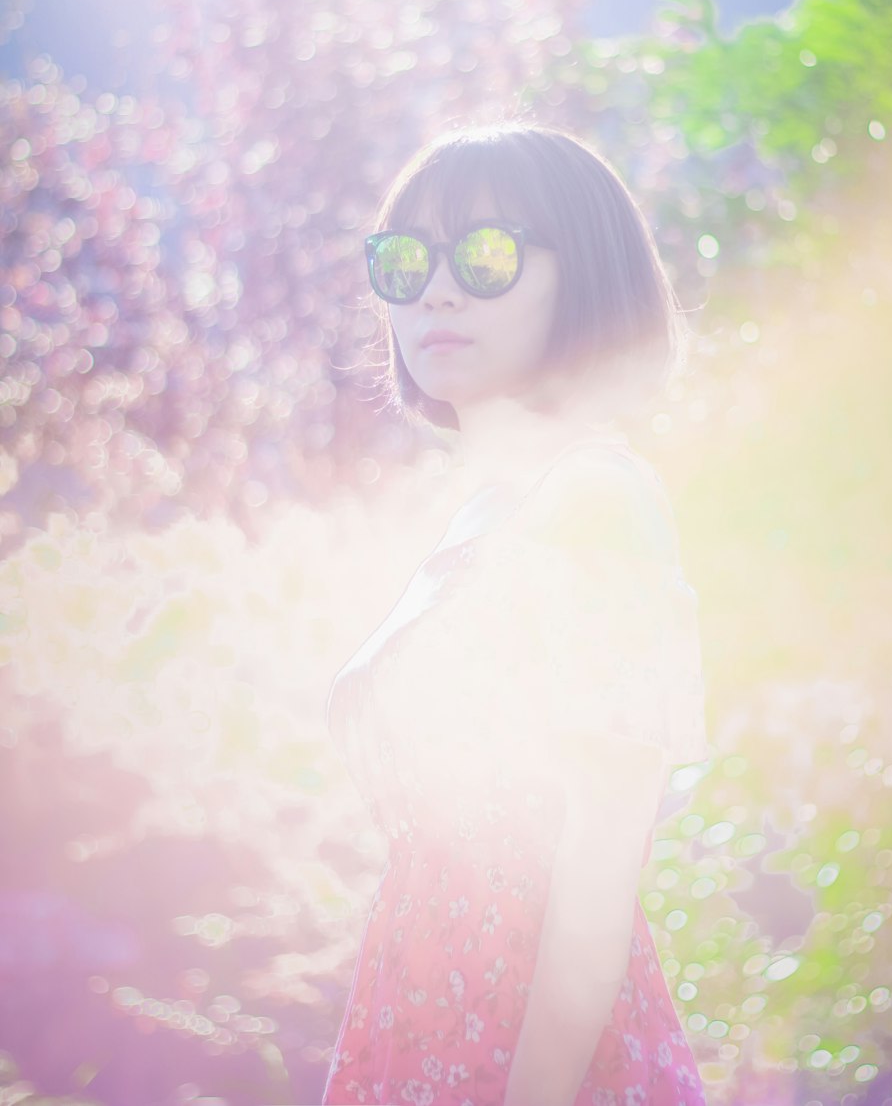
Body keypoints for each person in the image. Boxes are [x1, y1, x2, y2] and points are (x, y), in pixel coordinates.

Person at [323, 123, 709, 1106]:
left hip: (540, 1055)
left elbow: (593, 883)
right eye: (403, 262)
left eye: (485, 255)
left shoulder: (596, 500)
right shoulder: (494, 510)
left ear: (582, 275)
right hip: (425, 1021)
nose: (436, 292)